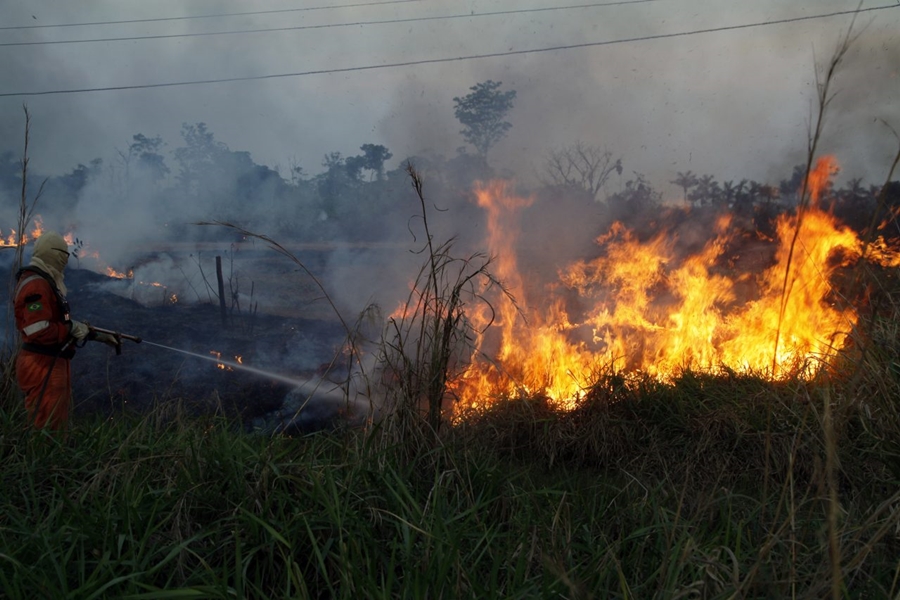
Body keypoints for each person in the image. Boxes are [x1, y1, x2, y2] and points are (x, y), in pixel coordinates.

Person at [13, 231, 118, 430]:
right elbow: (39, 331)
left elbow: (53, 322)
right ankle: (46, 459)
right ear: (55, 255)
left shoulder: (45, 281)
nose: (65, 262)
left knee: (56, 419)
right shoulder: (36, 285)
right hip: (42, 363)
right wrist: (70, 328)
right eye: (63, 256)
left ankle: (54, 457)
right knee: (46, 425)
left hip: (51, 360)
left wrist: (93, 334)